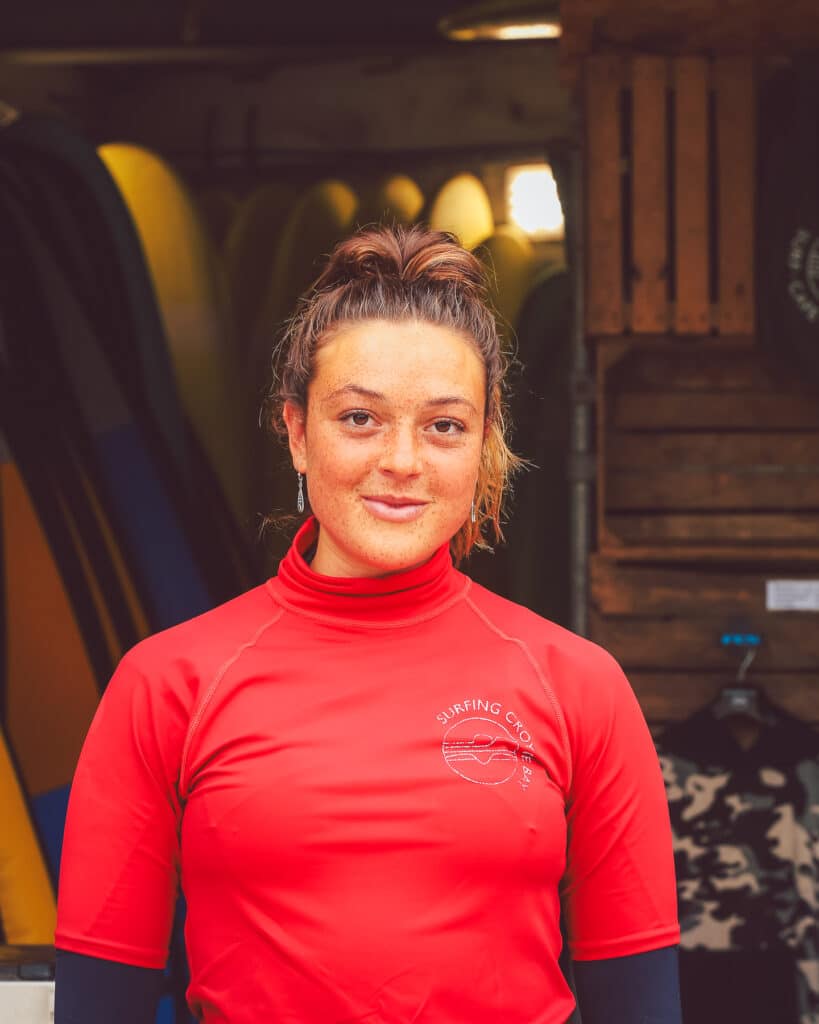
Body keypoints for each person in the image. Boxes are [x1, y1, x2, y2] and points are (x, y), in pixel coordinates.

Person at [54, 224, 681, 1023]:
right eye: (359, 418)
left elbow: (641, 1003)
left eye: (444, 426)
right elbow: (97, 1003)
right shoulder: (167, 683)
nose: (403, 461)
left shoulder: (577, 685)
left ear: (484, 444)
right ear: (294, 432)